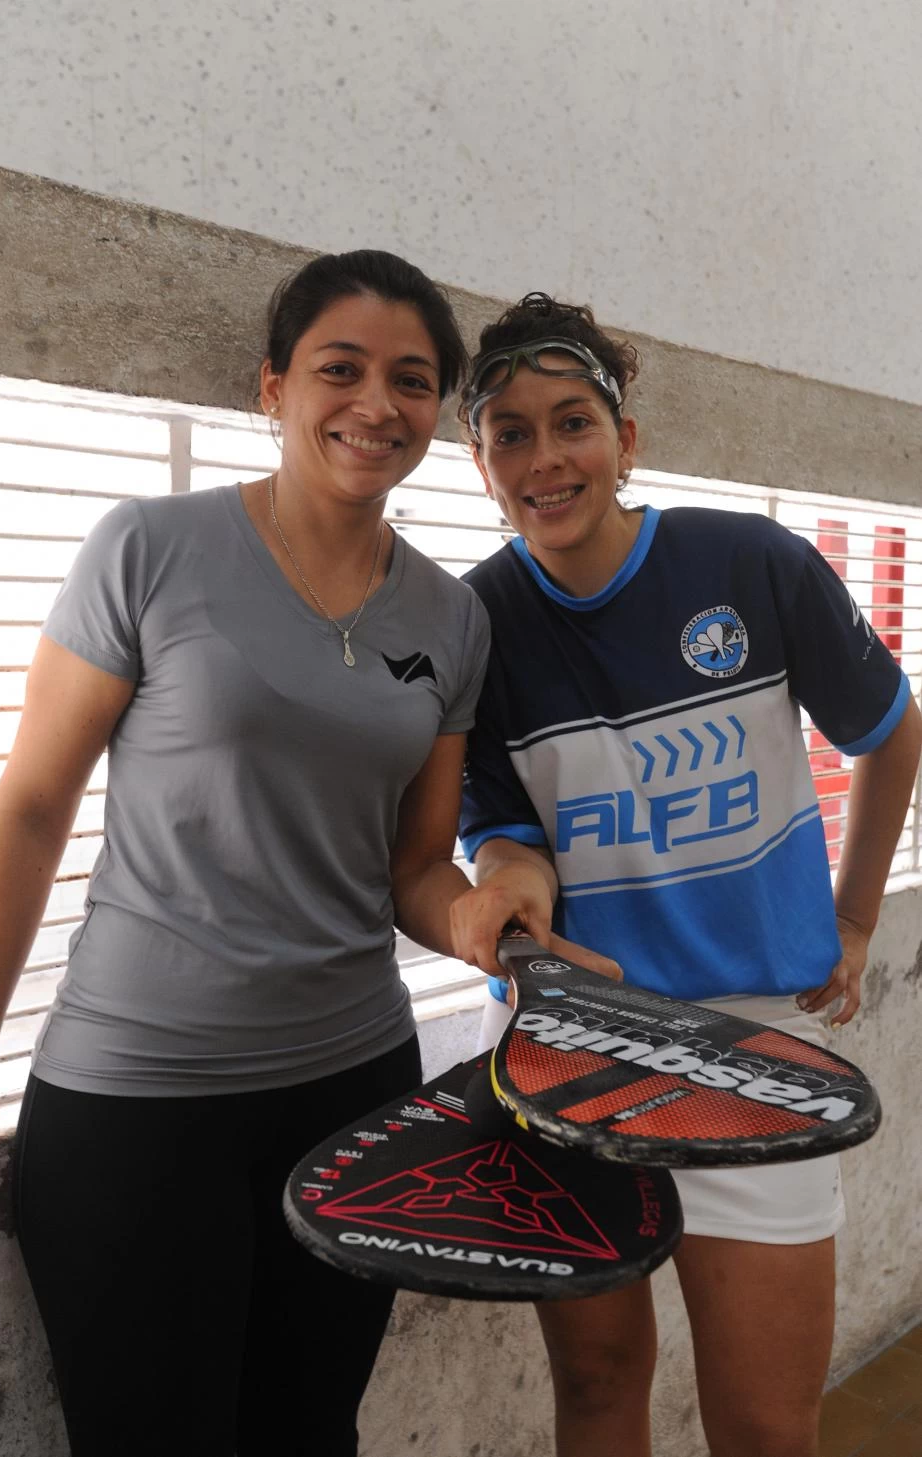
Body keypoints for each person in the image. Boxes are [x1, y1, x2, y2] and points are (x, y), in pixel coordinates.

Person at [0, 250, 491, 1457]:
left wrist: (484, 921)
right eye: (337, 368)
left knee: (309, 1433)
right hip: (136, 1094)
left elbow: (415, 864)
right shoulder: (148, 547)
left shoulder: (451, 618)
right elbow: (31, 809)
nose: (374, 404)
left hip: (355, 1086)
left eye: (411, 380)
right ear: (272, 386)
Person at [448, 292, 922, 1457]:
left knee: (764, 1423)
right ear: (479, 460)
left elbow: (890, 730)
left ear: (625, 440)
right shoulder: (474, 621)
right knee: (600, 1390)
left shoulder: (750, 564)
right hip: (573, 1050)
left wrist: (855, 915)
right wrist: (508, 876)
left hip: (755, 1048)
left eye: (572, 422)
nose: (545, 457)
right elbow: (496, 824)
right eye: (510, 432)